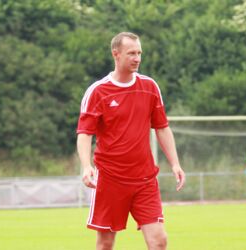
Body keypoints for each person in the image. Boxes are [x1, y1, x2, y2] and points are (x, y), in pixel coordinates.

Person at [76, 31, 185, 250]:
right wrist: (87, 166)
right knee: (106, 243)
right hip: (110, 179)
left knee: (159, 241)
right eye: (131, 53)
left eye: (139, 53)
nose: (137, 58)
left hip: (144, 179)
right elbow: (85, 133)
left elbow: (162, 128)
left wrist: (175, 163)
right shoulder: (98, 91)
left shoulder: (150, 87)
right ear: (116, 54)